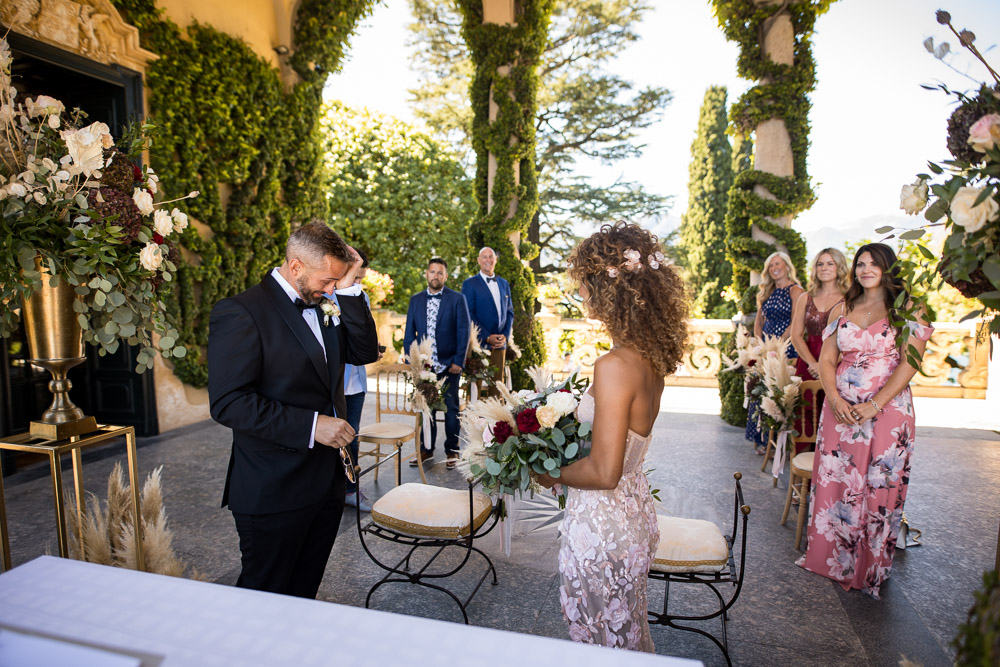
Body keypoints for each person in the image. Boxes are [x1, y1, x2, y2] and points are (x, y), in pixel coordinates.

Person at [536, 222, 688, 652]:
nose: (580, 294)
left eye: (584, 284)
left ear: (608, 288)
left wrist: (548, 474)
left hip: (604, 526)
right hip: (632, 513)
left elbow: (604, 472)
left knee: (600, 639)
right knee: (626, 632)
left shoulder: (615, 365)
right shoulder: (649, 356)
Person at [207, 222, 379, 599]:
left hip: (325, 487)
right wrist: (313, 425)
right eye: (329, 279)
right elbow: (228, 402)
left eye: (338, 281)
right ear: (296, 266)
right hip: (274, 490)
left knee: (303, 594)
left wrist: (349, 287)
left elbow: (364, 353)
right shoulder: (240, 312)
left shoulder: (326, 303)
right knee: (263, 596)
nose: (331, 288)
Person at [797, 243, 932, 599]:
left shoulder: (908, 309)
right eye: (861, 263)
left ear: (889, 268)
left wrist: (874, 404)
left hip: (887, 412)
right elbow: (827, 360)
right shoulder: (842, 309)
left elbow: (910, 362)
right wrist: (836, 399)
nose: (866, 269)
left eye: (874, 263)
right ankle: (830, 559)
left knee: (877, 485)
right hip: (840, 413)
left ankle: (867, 565)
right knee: (837, 481)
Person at [403, 257, 471, 470]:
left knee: (451, 409)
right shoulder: (415, 300)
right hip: (424, 367)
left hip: (450, 365)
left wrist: (458, 361)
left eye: (440, 272)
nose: (436, 276)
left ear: (446, 276)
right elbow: (408, 334)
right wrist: (414, 362)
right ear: (426, 274)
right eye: (432, 272)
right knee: (426, 409)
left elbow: (464, 331)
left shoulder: (457, 299)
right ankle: (426, 449)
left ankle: (452, 450)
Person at [788, 248, 849, 445]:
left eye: (830, 263)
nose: (824, 268)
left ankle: (830, 463)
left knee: (833, 410)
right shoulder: (805, 298)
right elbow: (796, 336)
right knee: (805, 415)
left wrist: (827, 364)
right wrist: (814, 363)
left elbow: (852, 336)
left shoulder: (850, 299)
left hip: (839, 361)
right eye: (820, 264)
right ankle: (803, 465)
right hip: (808, 362)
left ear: (839, 267)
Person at [746, 251, 804, 454]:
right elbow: (759, 321)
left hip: (786, 345)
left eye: (778, 264)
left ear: (787, 266)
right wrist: (761, 344)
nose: (774, 268)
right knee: (761, 390)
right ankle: (762, 439)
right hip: (766, 346)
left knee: (778, 392)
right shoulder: (766, 291)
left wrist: (779, 343)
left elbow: (797, 320)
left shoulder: (796, 291)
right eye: (771, 265)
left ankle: (781, 444)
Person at [340, 248, 382, 513]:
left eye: (360, 279)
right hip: (334, 381)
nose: (357, 284)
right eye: (354, 278)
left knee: (351, 436)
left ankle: (350, 489)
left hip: (356, 382)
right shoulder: (324, 296)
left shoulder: (361, 297)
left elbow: (365, 334)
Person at [461, 247, 514, 393]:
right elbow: (468, 313)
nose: (488, 260)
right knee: (474, 389)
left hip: (500, 343)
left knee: (497, 388)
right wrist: (486, 336)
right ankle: (473, 416)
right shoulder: (470, 284)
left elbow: (509, 312)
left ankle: (496, 415)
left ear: (495, 260)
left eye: (491, 257)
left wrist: (505, 336)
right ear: (479, 260)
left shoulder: (504, 284)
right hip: (478, 343)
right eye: (484, 257)